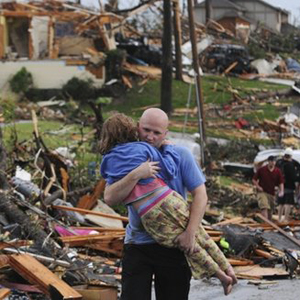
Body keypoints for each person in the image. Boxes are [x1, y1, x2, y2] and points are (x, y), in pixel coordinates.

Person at [101, 111, 237, 300]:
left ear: (166, 133)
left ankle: (226, 273)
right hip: (137, 244)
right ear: (137, 126)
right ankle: (223, 274)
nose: (150, 136)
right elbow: (109, 197)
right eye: (146, 129)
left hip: (175, 244)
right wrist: (137, 174)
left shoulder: (180, 154)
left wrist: (190, 233)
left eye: (156, 132)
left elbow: (200, 194)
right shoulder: (131, 154)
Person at [253, 155, 284, 220]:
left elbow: (281, 182)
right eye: (271, 161)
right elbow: (254, 180)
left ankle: (269, 224)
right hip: (262, 191)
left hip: (271, 193)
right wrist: (258, 187)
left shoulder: (277, 171)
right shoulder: (262, 169)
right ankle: (265, 223)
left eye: (274, 161)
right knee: (264, 207)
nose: (273, 163)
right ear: (268, 162)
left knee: (270, 210)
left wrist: (281, 191)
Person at [276, 148, 298, 222]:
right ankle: (285, 219)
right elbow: (293, 177)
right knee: (287, 203)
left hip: (280, 186)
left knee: (280, 203)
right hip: (289, 186)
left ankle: (279, 218)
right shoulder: (290, 165)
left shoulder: (279, 162)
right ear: (290, 156)